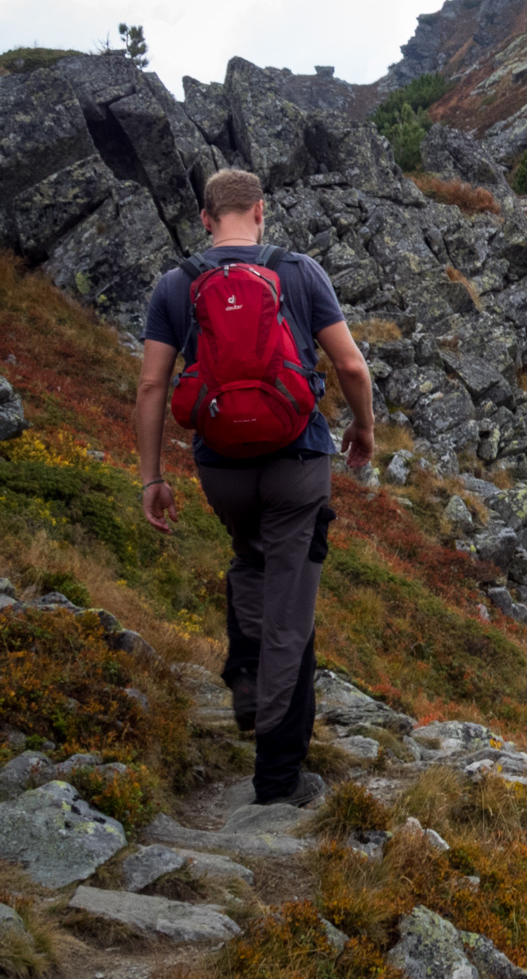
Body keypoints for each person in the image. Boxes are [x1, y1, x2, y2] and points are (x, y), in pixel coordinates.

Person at [134, 168, 375, 807]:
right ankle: (276, 779)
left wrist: (151, 476)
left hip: (221, 467)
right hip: (298, 461)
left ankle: (245, 666)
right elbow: (350, 365)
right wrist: (364, 430)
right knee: (291, 609)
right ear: (260, 211)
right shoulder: (299, 273)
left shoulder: (175, 285)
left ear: (206, 219)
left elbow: (153, 387)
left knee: (252, 558)